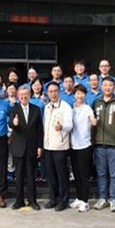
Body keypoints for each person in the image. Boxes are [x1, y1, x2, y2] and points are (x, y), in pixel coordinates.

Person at [92, 77, 115, 213]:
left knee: (114, 174)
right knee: (101, 173)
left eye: (110, 85)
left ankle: (114, 199)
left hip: (114, 143)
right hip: (99, 143)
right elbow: (92, 118)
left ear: (114, 87)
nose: (107, 88)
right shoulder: (96, 102)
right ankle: (102, 198)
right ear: (101, 87)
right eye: (105, 85)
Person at [9, 86, 43, 211]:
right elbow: (10, 123)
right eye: (21, 94)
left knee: (31, 176)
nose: (24, 96)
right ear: (18, 96)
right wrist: (14, 123)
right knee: (19, 176)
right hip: (18, 148)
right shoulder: (14, 109)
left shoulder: (36, 109)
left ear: (29, 95)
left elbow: (40, 129)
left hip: (32, 148)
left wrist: (39, 146)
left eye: (26, 94)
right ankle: (19, 200)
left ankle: (32, 201)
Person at [43, 82, 73, 212]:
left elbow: (70, 125)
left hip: (60, 146)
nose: (53, 94)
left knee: (62, 175)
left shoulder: (65, 107)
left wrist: (62, 127)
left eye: (55, 91)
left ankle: (63, 200)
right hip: (48, 146)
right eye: (50, 92)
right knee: (51, 175)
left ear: (59, 92)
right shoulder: (47, 107)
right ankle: (53, 198)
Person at [69, 84, 96, 213]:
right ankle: (79, 198)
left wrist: (95, 121)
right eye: (78, 93)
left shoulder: (88, 108)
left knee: (84, 175)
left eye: (82, 93)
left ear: (85, 95)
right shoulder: (71, 109)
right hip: (73, 145)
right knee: (76, 174)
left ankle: (85, 201)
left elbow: (93, 120)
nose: (80, 96)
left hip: (84, 145)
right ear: (74, 95)